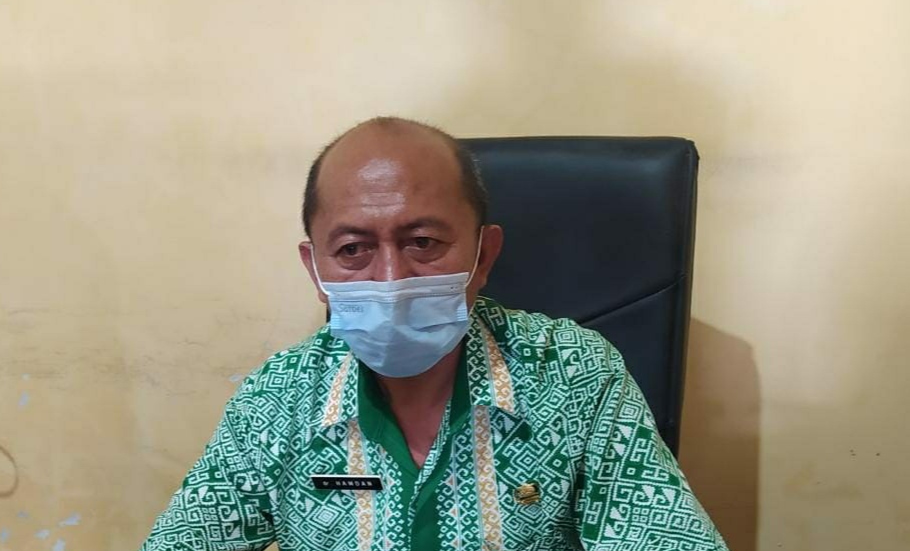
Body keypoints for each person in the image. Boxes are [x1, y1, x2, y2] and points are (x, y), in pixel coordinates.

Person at [140, 117, 728, 551]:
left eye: (422, 242)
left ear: (482, 256)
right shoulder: (277, 399)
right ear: (315, 270)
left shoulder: (575, 374)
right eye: (353, 249)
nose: (391, 279)